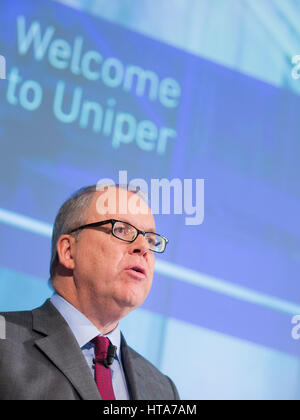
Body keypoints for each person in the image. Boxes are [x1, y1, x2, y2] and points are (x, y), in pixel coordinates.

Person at [0, 184, 179, 400]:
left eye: (151, 240)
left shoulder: (162, 390)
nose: (143, 248)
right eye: (121, 230)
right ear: (68, 251)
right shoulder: (5, 342)